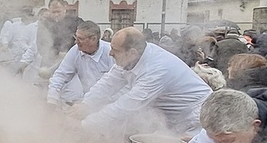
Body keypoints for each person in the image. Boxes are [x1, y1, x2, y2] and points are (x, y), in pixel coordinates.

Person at [73, 28, 212, 137]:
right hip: (173, 118)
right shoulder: (131, 58)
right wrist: (85, 105)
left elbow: (127, 106)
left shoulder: (156, 70)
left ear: (132, 52)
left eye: (115, 50)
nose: (110, 54)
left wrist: (85, 125)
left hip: (196, 117)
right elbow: (108, 83)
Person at [46, 21, 114, 106]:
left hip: (111, 104)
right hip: (87, 103)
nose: (76, 42)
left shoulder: (111, 52)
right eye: (76, 37)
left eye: (80, 39)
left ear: (93, 39)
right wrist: (52, 99)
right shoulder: (75, 51)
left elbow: (118, 84)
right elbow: (61, 75)